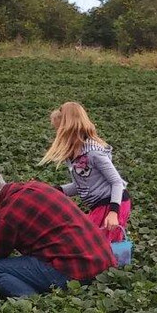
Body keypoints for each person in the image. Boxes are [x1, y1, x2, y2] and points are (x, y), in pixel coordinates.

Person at [0, 168, 115, 298]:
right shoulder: (35, 187)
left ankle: (34, 303)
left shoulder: (7, 215)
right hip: (104, 262)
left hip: (77, 270)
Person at [40, 101, 131, 241]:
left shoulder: (93, 153)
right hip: (100, 205)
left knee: (91, 245)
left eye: (58, 130)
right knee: (93, 246)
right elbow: (84, 185)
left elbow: (117, 182)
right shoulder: (75, 154)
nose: (57, 134)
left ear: (67, 129)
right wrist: (54, 191)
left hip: (110, 204)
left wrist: (113, 212)